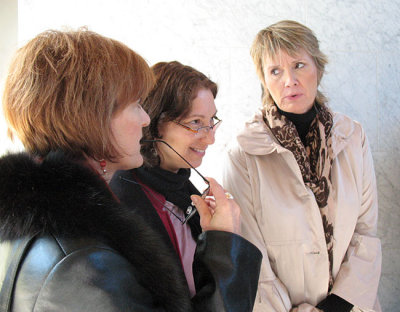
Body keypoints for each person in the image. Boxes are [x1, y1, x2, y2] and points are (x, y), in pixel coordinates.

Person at [0, 29, 262, 312]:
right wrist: (226, 249)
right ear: (93, 117)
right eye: (136, 104)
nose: (145, 118)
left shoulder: (62, 220)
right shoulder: (85, 263)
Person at [223, 20, 381, 312]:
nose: (289, 81)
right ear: (264, 80)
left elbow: (365, 231)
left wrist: (338, 305)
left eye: (298, 65)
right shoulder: (243, 151)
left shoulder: (352, 136)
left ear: (317, 68)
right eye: (275, 71)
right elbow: (250, 253)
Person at [110, 61, 229, 298]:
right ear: (154, 124)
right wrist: (225, 243)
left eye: (211, 121)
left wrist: (216, 237)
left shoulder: (182, 182)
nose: (210, 139)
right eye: (196, 123)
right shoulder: (121, 197)